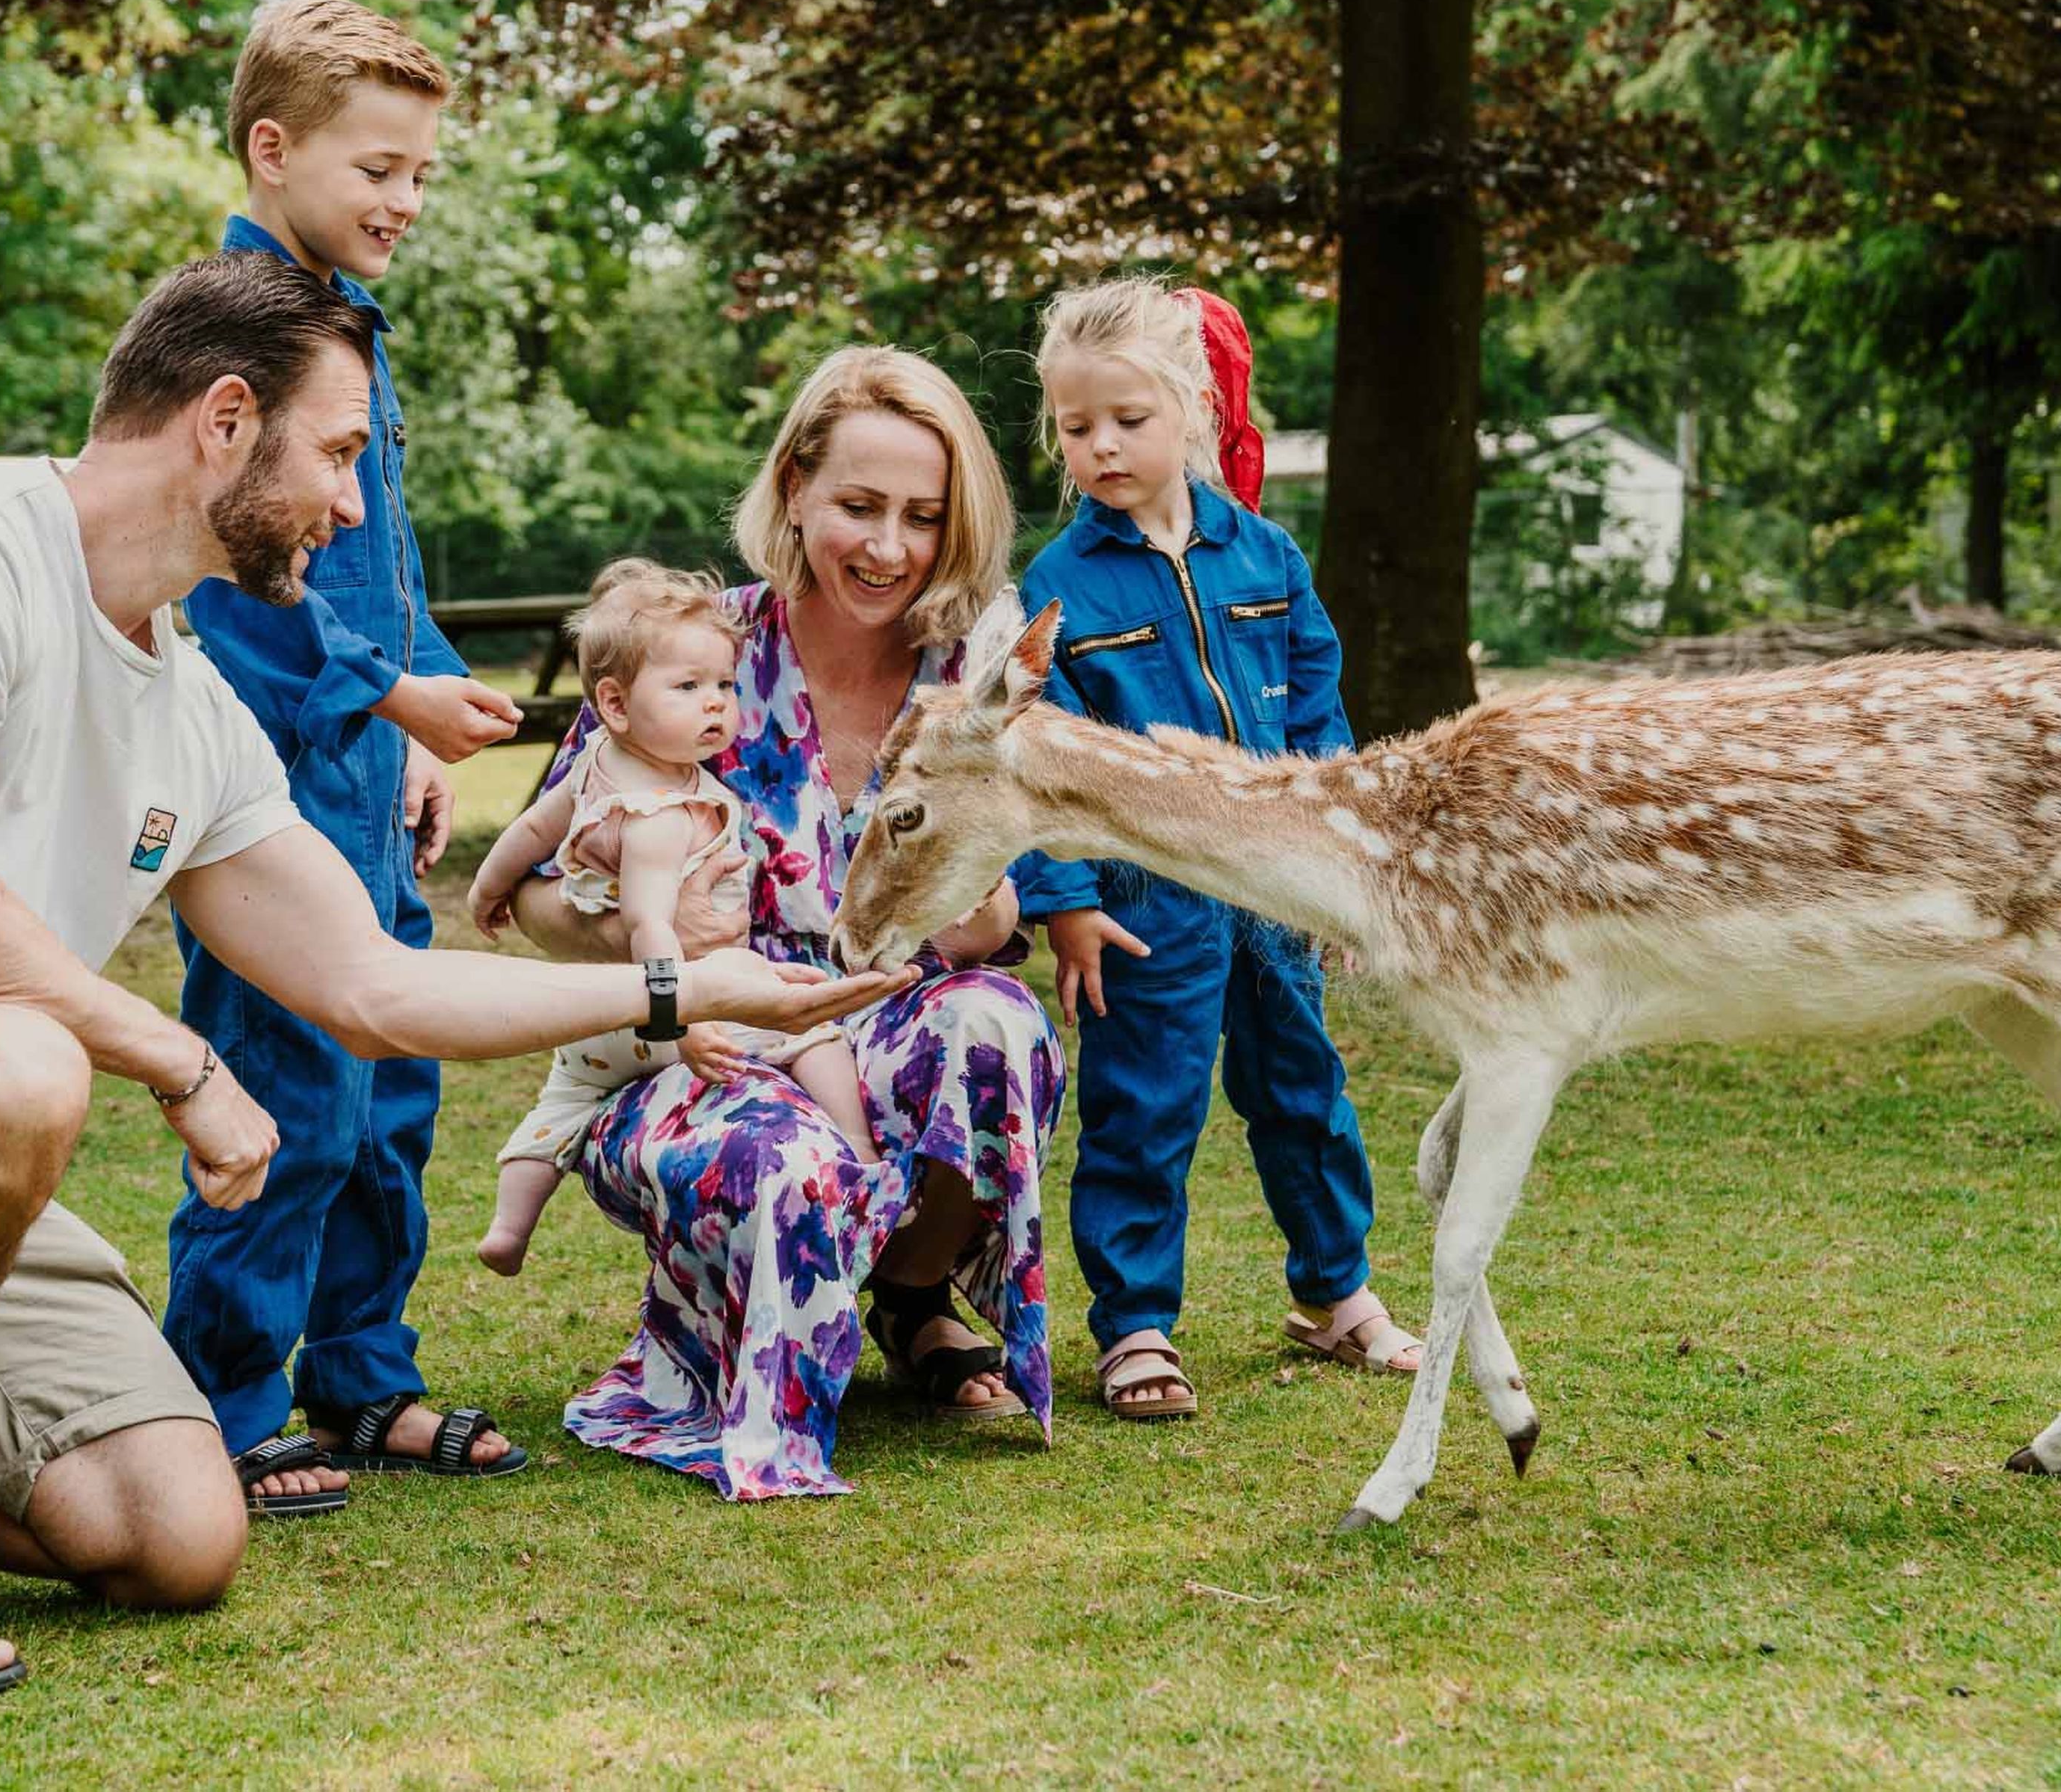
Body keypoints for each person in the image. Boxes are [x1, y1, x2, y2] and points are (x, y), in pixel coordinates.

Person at [0, 254, 902, 1703]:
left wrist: (688, 995)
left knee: (174, 1533)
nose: (354, 507)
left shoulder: (192, 705)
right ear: (226, 421)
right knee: (18, 1064)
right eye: (338, 455)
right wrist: (181, 1059)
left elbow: (374, 987)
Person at [482, 345, 1067, 1499]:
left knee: (997, 1023)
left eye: (923, 517)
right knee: (786, 1149)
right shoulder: (694, 652)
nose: (889, 547)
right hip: (698, 1036)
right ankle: (732, 1357)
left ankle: (910, 1294)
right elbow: (538, 897)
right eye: (859, 506)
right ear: (795, 487)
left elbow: (1001, 917)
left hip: (875, 1020)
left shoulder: (970, 678)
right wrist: (672, 952)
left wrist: (980, 905)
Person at [161, 0, 526, 1511]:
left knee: (391, 1102)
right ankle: (224, 1407)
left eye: (423, 173)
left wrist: (417, 721)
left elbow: (389, 554)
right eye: (380, 167)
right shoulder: (224, 334)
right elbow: (231, 587)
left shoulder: (348, 323)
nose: (407, 199)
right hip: (268, 796)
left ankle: (365, 1378)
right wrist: (392, 701)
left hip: (374, 786)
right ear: (272, 147)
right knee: (288, 1101)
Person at [1012, 277, 1420, 1422]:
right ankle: (1136, 1324)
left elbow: (1320, 715)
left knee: (1303, 1090)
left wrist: (1341, 868)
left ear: (1194, 409)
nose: (1101, 446)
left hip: (1278, 885)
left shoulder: (1268, 558)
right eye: (1076, 426)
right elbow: (1035, 757)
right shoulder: (1058, 587)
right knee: (1144, 1108)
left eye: (1127, 420)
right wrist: (1066, 902)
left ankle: (1335, 1294)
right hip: (1147, 902)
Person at [471, 563, 878, 1276]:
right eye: (688, 688)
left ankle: (509, 1226)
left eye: (725, 685)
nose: (716, 703)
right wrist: (679, 1021)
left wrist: (487, 889)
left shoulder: (595, 763)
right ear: (615, 703)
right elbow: (650, 926)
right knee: (809, 1025)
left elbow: (532, 831)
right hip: (670, 1004)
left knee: (564, 1101)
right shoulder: (665, 816)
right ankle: (863, 1154)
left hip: (598, 1012)